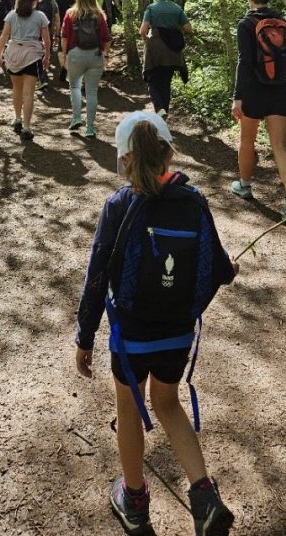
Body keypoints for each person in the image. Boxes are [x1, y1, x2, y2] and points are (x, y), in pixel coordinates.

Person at [75, 112, 237, 536]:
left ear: (124, 159)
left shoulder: (118, 205)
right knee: (168, 403)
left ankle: (134, 501)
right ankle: (204, 496)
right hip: (177, 332)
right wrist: (230, 269)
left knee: (130, 408)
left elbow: (96, 276)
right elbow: (217, 267)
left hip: (131, 336)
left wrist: (85, 335)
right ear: (169, 152)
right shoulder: (195, 201)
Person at [230, 0, 286, 223]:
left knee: (247, 140)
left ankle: (245, 185)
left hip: (253, 91)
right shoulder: (282, 23)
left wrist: (237, 96)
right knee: (279, 145)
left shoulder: (246, 24)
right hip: (280, 88)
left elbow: (244, 61)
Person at [0, 0, 51, 140]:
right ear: (35, 1)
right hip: (32, 56)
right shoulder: (40, 16)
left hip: (13, 55)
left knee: (17, 89)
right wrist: (47, 56)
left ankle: (17, 119)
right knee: (29, 93)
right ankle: (27, 127)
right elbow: (46, 39)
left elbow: (4, 37)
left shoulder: (11, 15)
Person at [61, 0, 110, 138]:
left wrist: (64, 54)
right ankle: (90, 128)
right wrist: (105, 55)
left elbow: (64, 37)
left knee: (75, 87)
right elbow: (106, 38)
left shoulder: (70, 14)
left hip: (76, 54)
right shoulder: (99, 15)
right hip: (95, 55)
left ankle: (76, 117)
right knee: (91, 92)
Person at [139, 0, 191, 119]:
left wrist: (148, 41)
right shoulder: (177, 8)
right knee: (166, 81)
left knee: (152, 78)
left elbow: (143, 30)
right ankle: (164, 111)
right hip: (172, 49)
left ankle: (159, 107)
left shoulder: (151, 8)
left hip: (155, 46)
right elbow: (188, 29)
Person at [36, 0, 61, 86]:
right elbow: (57, 19)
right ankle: (45, 67)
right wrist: (57, 33)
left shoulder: (33, 1)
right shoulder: (52, 1)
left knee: (37, 51)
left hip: (35, 31)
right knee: (47, 50)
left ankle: (40, 74)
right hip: (48, 29)